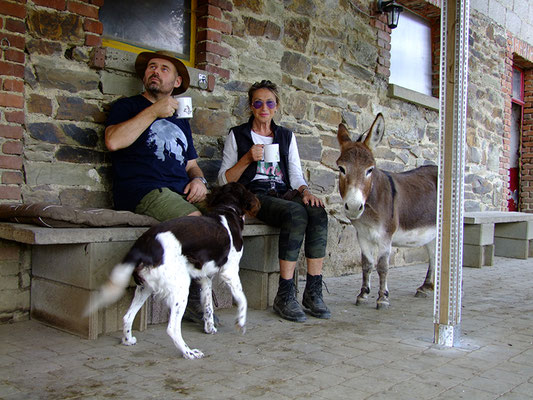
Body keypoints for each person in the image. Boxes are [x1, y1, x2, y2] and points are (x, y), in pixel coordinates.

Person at [104, 50, 210, 324]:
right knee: (196, 225)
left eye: (165, 69)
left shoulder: (180, 119)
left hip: (180, 189)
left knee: (227, 216)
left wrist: (199, 179)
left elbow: (191, 165)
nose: (155, 71)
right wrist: (153, 111)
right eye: (152, 67)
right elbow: (113, 141)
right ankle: (191, 299)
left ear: (176, 83)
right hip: (143, 189)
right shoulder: (126, 106)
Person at [218, 80, 330, 322]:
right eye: (258, 102)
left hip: (282, 193)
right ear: (251, 106)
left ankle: (313, 291)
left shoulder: (286, 136)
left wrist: (305, 192)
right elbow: (222, 180)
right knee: (295, 214)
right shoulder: (238, 135)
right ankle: (285, 294)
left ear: (276, 106)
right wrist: (247, 158)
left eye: (269, 102)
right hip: (253, 196)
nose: (264, 107)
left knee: (317, 212)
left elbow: (296, 173)